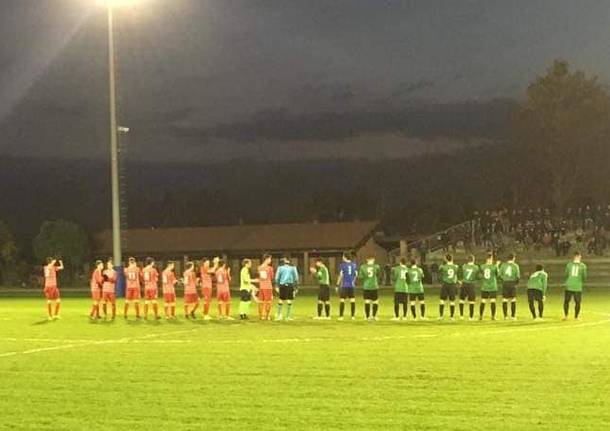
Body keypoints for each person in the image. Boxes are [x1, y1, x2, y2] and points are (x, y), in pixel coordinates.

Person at [563, 252, 587, 320]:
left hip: (569, 285)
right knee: (577, 302)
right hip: (577, 286)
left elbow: (566, 275)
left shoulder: (569, 265)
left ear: (574, 257)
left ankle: (566, 316)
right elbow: (584, 276)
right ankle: (576, 317)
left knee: (566, 301)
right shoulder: (583, 266)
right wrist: (580, 281)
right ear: (580, 257)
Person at [274, 257, 299, 321]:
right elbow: (296, 278)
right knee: (289, 300)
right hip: (290, 285)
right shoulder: (293, 268)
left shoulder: (280, 268)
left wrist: (276, 286)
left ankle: (279, 315)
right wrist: (296, 287)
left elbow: (277, 277)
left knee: (281, 300)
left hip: (282, 285)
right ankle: (288, 316)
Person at [336, 252, 358, 321]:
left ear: (345, 257)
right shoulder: (354, 265)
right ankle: (352, 316)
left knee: (342, 300)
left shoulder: (342, 265)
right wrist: (353, 282)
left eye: (343, 256)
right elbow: (356, 275)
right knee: (352, 300)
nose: (342, 258)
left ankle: (341, 316)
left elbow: (341, 275)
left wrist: (337, 285)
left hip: (345, 285)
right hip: (351, 285)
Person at [358, 255, 381, 321]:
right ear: (373, 259)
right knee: (375, 302)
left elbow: (361, 277)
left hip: (366, 286)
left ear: (367, 259)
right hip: (374, 286)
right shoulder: (376, 266)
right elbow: (378, 274)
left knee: (367, 301)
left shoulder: (363, 267)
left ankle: (367, 317)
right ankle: (374, 316)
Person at [499, 253, 520, 320]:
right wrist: (515, 283)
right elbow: (518, 276)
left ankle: (505, 316)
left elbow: (499, 275)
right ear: (513, 258)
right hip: (512, 283)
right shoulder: (515, 266)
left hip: (505, 283)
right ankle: (513, 316)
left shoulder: (503, 265)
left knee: (505, 299)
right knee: (513, 299)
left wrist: (504, 279)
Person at [438, 254, 459, 320]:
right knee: (452, 301)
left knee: (442, 301)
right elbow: (455, 275)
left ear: (446, 259)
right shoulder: (456, 266)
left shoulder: (443, 267)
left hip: (445, 284)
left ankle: (441, 316)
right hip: (452, 284)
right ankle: (452, 317)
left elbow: (440, 271)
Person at [479, 253, 499, 320]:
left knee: (483, 301)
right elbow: (497, 275)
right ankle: (493, 316)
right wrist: (497, 265)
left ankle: (481, 316)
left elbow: (481, 274)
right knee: (493, 301)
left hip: (484, 286)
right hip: (493, 286)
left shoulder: (482, 266)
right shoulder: (494, 267)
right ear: (491, 259)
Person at [459, 255, 479, 320]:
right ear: (473, 260)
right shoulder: (476, 267)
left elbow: (460, 274)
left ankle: (461, 316)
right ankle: (471, 317)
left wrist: (460, 281)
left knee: (462, 300)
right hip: (471, 284)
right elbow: (477, 276)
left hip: (464, 283)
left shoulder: (464, 266)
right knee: (471, 301)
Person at [257, 254, 274, 320]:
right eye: (270, 259)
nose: (270, 260)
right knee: (268, 302)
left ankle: (261, 316)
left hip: (261, 287)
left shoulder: (259, 267)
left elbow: (260, 277)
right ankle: (267, 316)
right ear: (266, 259)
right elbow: (272, 277)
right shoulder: (269, 268)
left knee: (261, 302)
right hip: (268, 286)